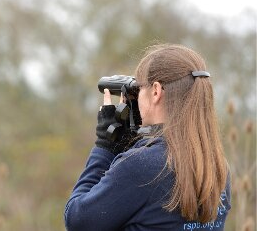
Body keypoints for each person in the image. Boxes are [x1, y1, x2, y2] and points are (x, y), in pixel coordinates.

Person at [64, 44, 231, 231]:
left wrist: (105, 146)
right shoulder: (216, 166)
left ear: (156, 91)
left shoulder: (142, 166)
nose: (138, 96)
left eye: (140, 88)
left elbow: (78, 220)